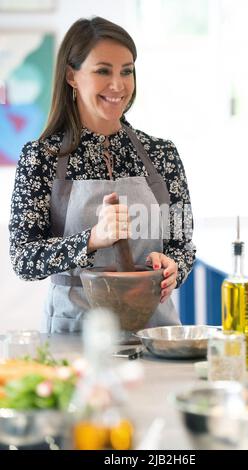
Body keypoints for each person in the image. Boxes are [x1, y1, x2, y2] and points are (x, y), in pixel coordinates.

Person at [9, 16, 196, 334]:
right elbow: (24, 259)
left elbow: (183, 243)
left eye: (127, 70)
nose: (118, 85)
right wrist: (92, 239)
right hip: (75, 331)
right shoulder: (41, 157)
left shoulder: (162, 154)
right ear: (71, 75)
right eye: (103, 70)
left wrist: (173, 268)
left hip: (153, 330)